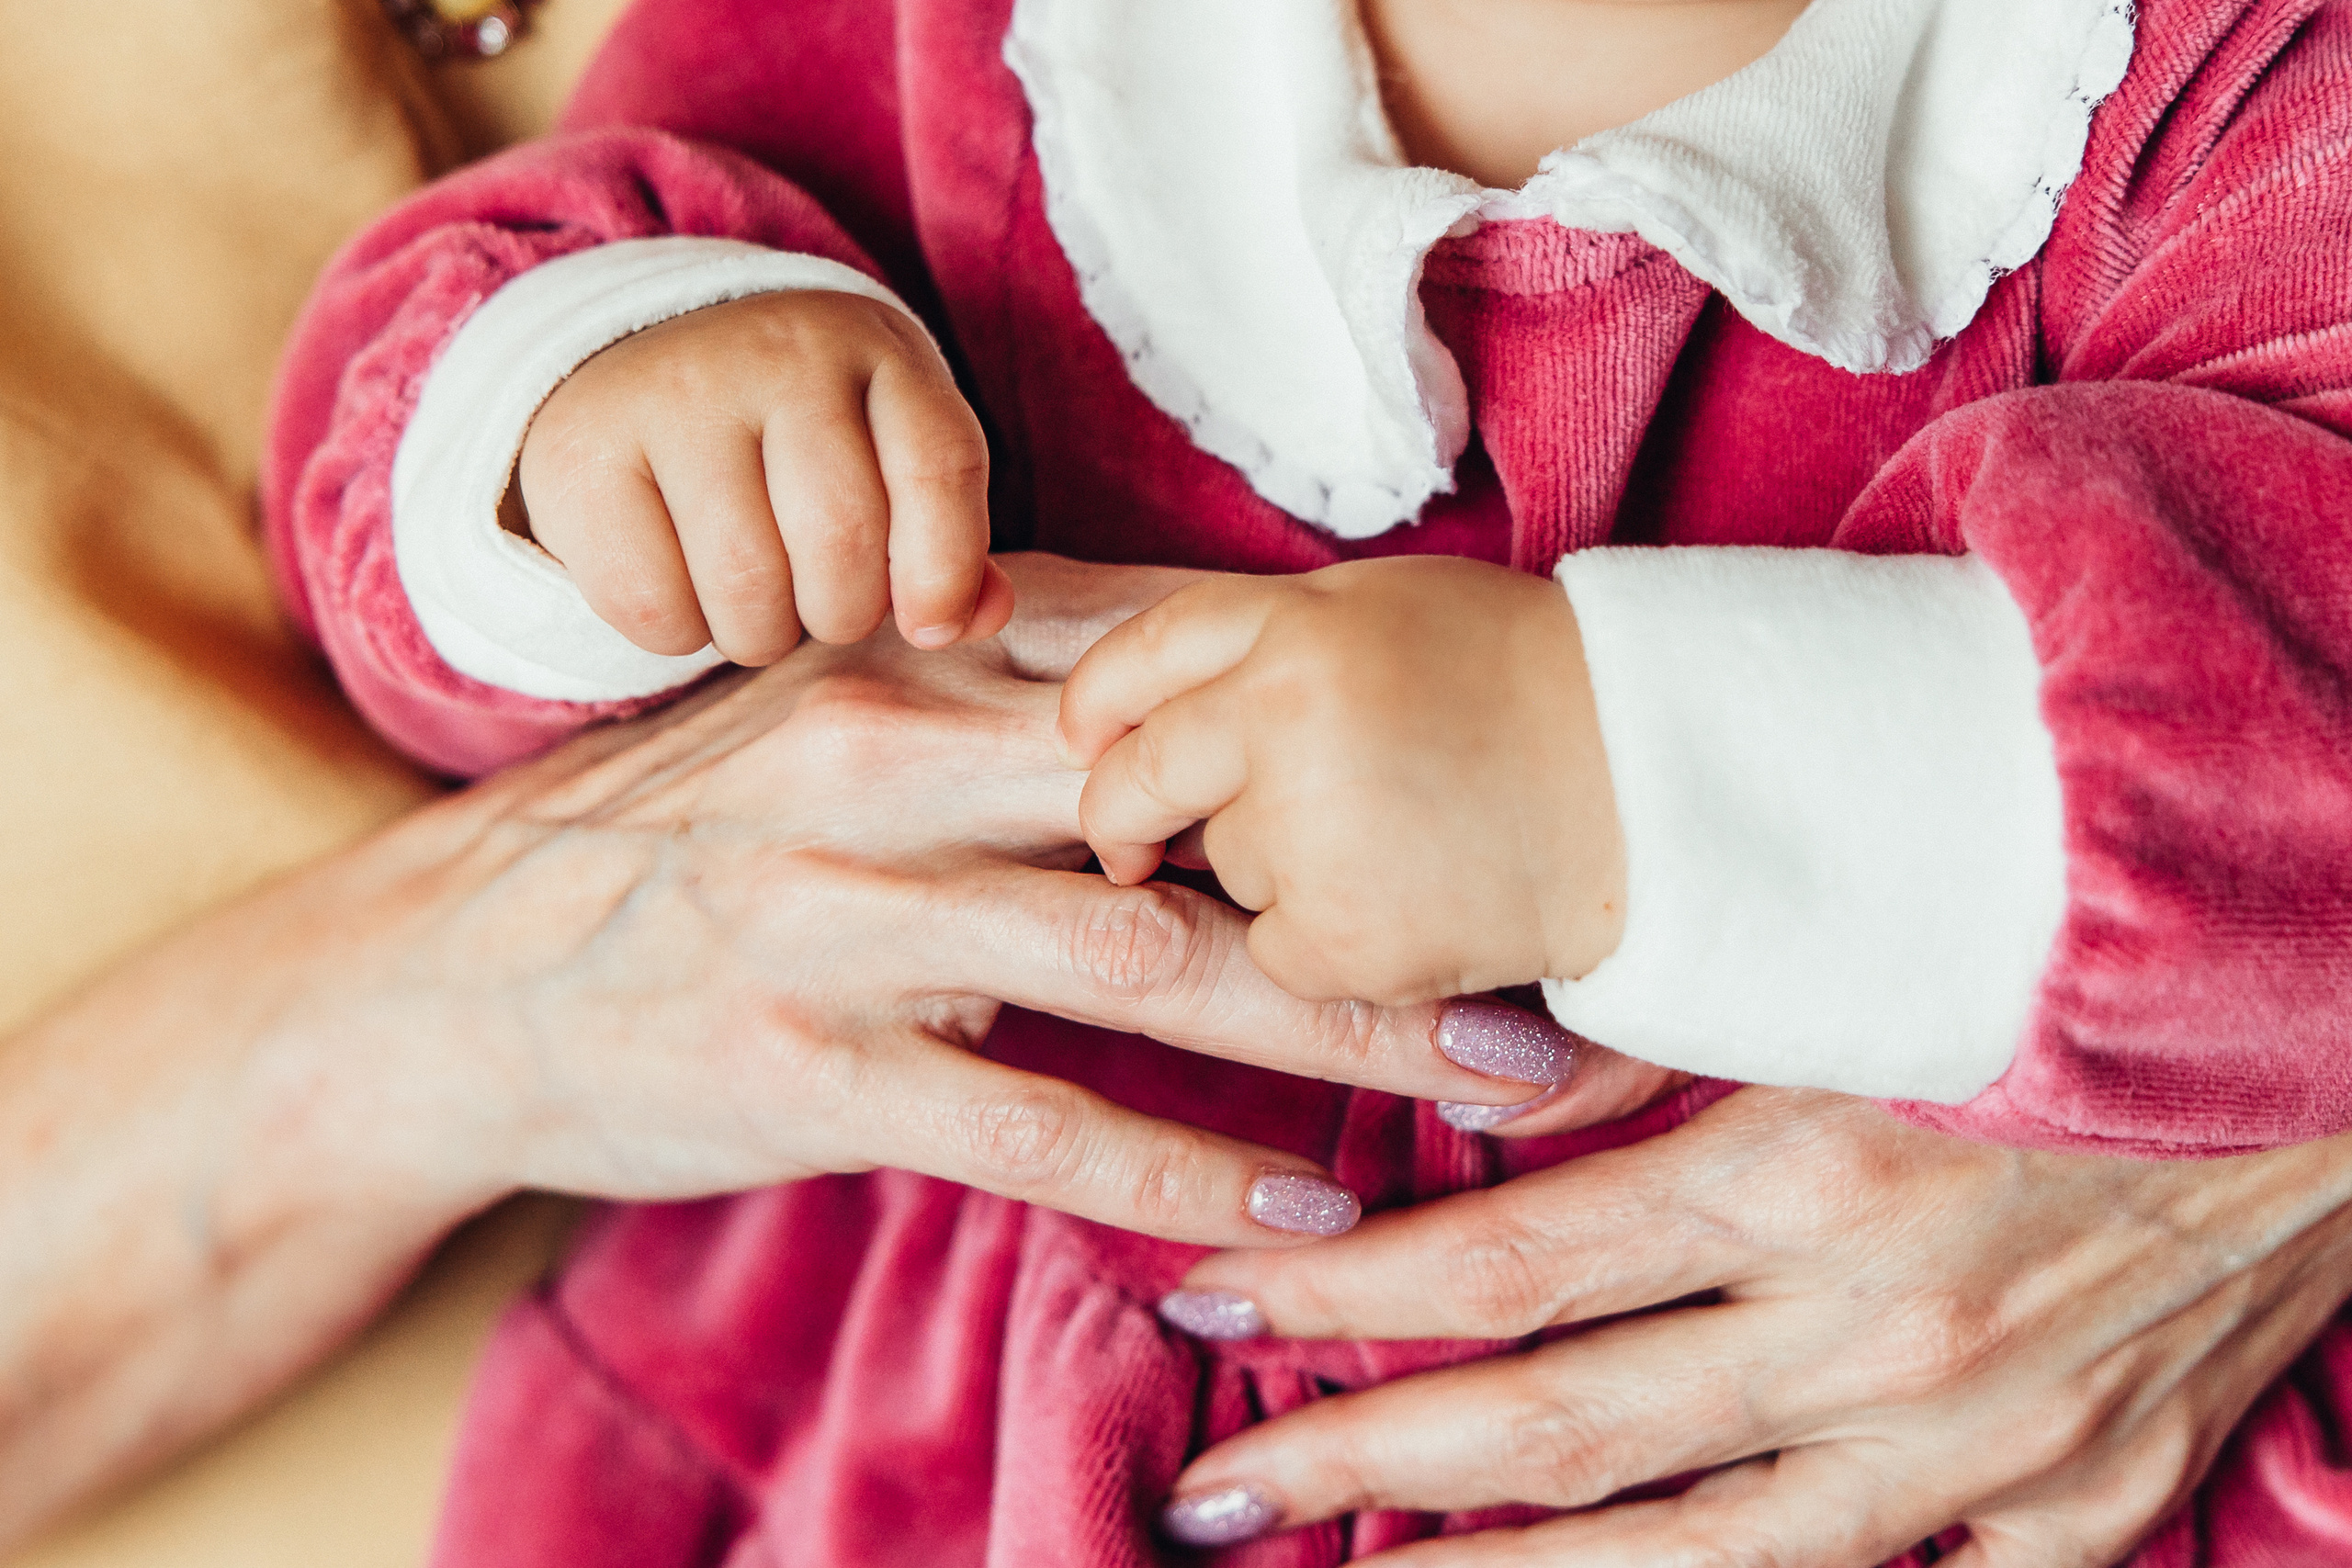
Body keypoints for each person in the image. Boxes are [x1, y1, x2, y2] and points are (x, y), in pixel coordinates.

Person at [254, 0, 2352, 1562]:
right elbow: (431, 408)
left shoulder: (2199, 81)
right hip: (928, 1432)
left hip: (1899, 1434)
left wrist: (1624, 776)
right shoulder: (977, 46)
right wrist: (606, 424)